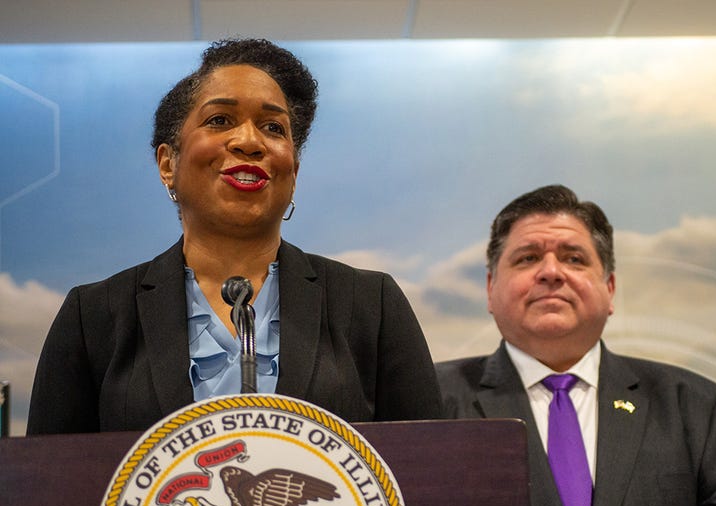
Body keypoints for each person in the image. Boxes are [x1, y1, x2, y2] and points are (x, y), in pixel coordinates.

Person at [27, 38, 442, 434]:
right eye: (220, 120)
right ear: (167, 163)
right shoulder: (92, 316)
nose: (249, 141)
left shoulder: (372, 305)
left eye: (273, 128)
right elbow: (49, 487)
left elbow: (432, 474)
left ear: (293, 174)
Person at [436, 185, 716, 506]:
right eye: (528, 258)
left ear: (609, 288)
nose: (551, 272)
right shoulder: (432, 403)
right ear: (491, 288)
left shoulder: (695, 407)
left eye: (574, 258)